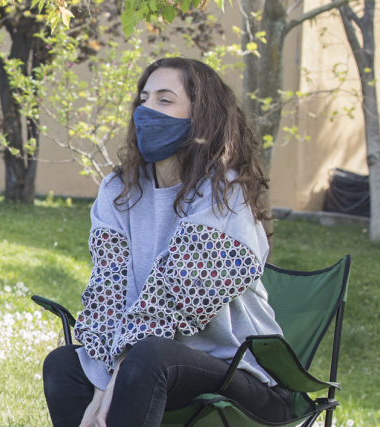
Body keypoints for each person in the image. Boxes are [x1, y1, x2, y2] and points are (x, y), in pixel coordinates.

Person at [41, 58, 293, 427]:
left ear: (202, 116)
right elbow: (107, 291)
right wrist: (100, 382)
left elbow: (174, 297)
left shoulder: (226, 192)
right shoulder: (118, 191)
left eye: (164, 100)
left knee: (149, 357)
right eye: (143, 99)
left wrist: (115, 380)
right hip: (151, 366)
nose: (146, 110)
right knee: (63, 364)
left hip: (244, 377)